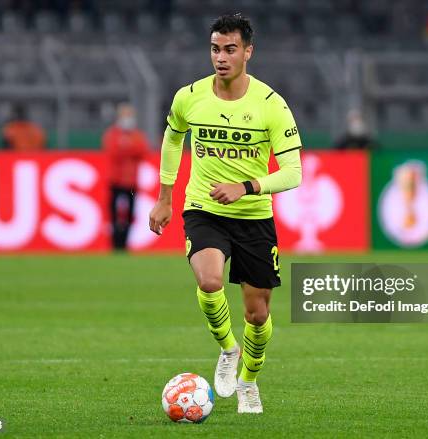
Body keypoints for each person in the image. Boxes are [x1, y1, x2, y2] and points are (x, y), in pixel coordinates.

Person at [148, 13, 302, 414]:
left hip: (253, 215)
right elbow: (172, 138)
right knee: (210, 278)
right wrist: (165, 197)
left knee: (258, 311)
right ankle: (228, 349)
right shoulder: (190, 96)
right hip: (204, 208)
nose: (221, 57)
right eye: (216, 48)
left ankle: (249, 381)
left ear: (248, 52)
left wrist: (247, 187)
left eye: (230, 49)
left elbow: (293, 173)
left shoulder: (271, 105)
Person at [103, 103, 150, 251]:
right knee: (114, 215)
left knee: (129, 215)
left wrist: (126, 147)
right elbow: (113, 151)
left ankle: (124, 243)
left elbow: (142, 151)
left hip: (131, 182)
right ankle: (115, 244)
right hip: (115, 181)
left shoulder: (136, 135)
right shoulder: (113, 134)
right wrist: (129, 148)